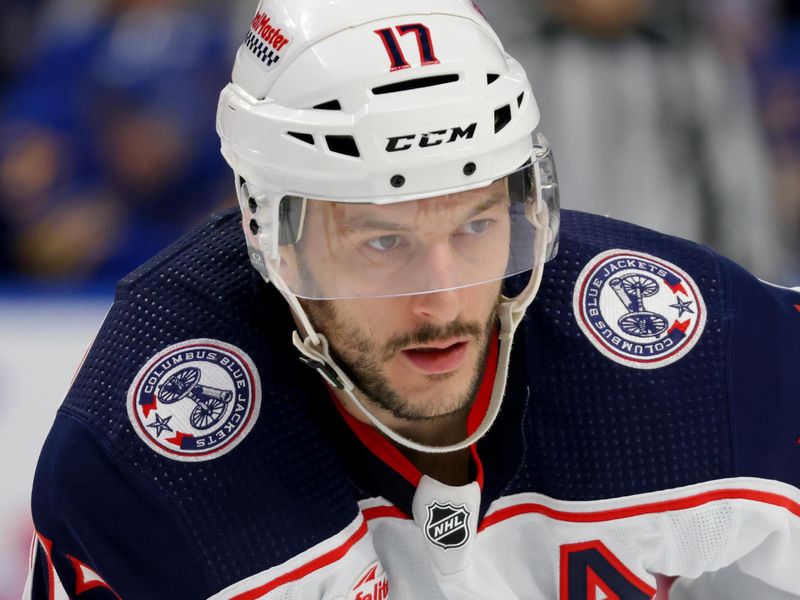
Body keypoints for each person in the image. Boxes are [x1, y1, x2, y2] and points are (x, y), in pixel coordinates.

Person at [25, 0, 800, 598]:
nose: (441, 301)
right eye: (381, 242)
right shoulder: (153, 446)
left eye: (475, 224)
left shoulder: (688, 341)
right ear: (271, 235)